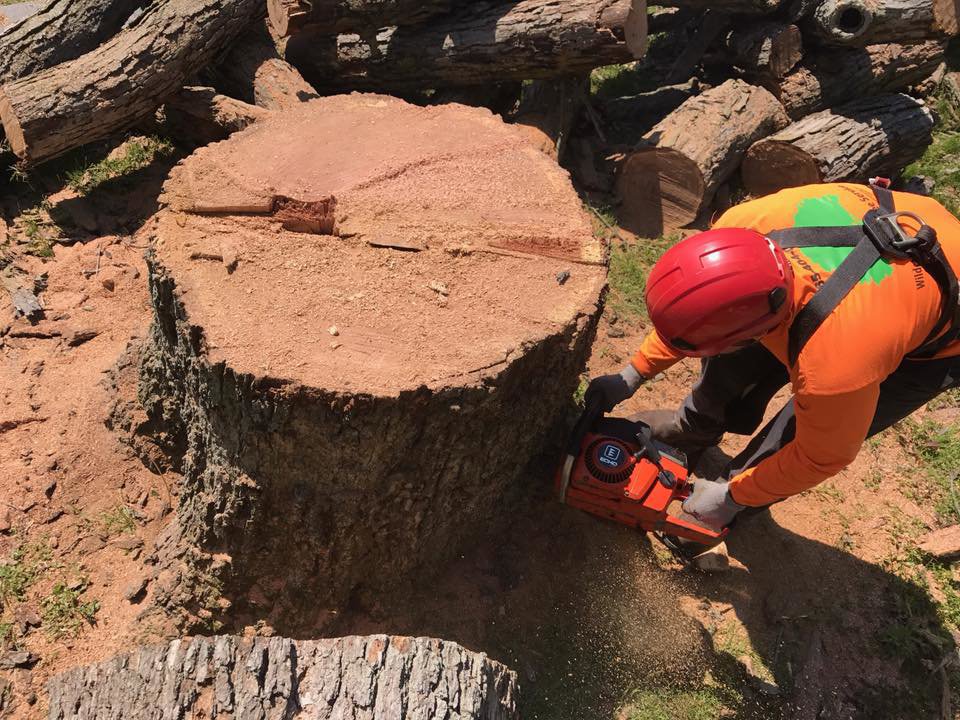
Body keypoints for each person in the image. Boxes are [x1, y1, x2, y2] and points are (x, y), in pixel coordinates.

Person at [585, 182, 960, 533]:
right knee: (733, 351)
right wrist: (633, 373)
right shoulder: (740, 229)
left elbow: (819, 457)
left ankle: (723, 506)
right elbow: (698, 315)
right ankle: (695, 426)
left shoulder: (840, 364)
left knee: (796, 438)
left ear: (759, 330)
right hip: (889, 246)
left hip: (937, 335)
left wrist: (732, 496)